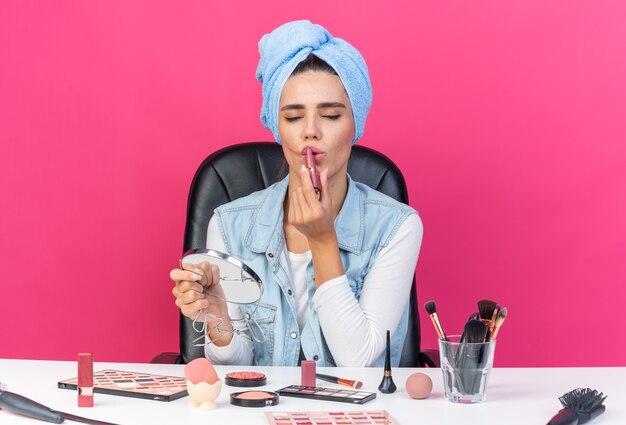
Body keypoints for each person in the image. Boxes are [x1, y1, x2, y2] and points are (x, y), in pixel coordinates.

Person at [170, 20, 423, 367]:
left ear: (355, 125)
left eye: (331, 115)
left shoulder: (397, 226)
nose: (310, 132)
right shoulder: (229, 225)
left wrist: (322, 241)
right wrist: (219, 319)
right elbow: (236, 373)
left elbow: (359, 361)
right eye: (292, 118)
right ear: (278, 129)